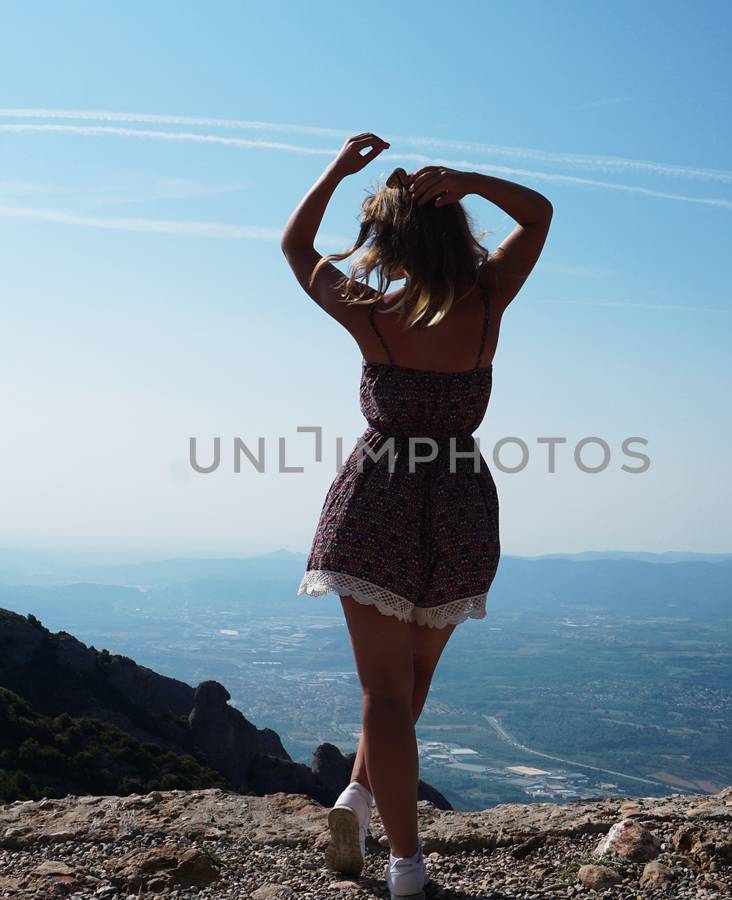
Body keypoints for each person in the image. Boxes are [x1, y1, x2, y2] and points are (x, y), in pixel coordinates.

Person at [280, 133, 553, 898]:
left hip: (379, 499)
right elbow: (538, 216)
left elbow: (295, 244)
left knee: (385, 692)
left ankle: (402, 862)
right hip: (461, 497)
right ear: (456, 231)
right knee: (414, 680)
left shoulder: (371, 312)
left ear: (391, 242)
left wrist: (339, 169)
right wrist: (468, 179)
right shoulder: (491, 301)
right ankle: (361, 802)